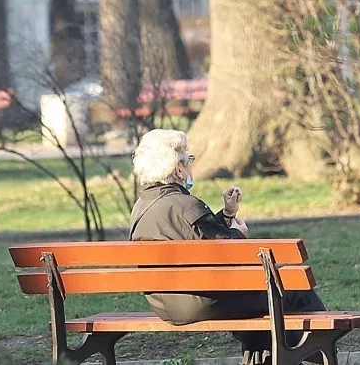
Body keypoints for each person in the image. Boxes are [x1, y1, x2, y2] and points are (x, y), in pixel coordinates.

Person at [129, 129, 325, 362]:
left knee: (260, 303)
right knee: (290, 290)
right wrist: (238, 234)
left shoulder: (142, 207)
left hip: (168, 304)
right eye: (188, 159)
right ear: (178, 168)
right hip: (202, 302)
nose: (191, 166)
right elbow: (228, 254)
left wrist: (227, 214)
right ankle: (321, 353)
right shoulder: (185, 206)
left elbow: (201, 239)